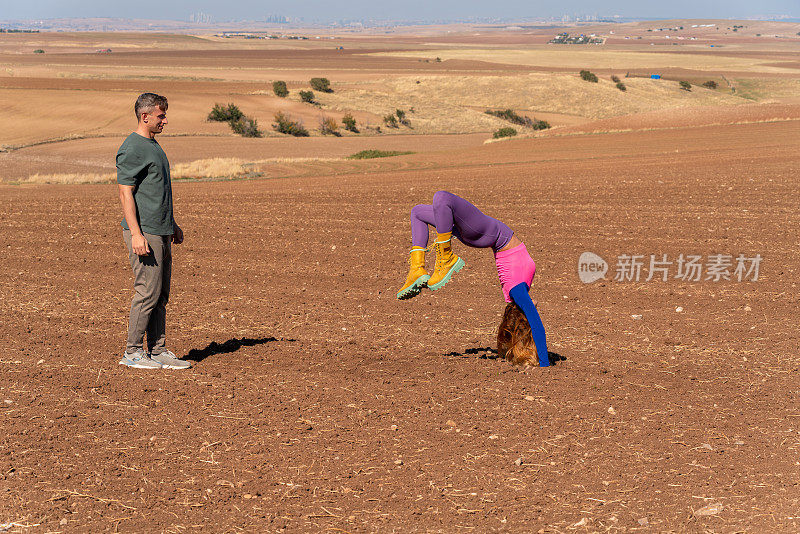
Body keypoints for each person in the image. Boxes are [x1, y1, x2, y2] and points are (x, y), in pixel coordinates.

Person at [397, 191, 549, 367]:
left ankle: (446, 258)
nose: (536, 305)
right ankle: (417, 269)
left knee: (442, 198)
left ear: (520, 311)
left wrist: (545, 363)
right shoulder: (521, 289)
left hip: (488, 232)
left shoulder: (517, 291)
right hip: (478, 231)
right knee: (417, 212)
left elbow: (537, 325)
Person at [116, 93, 190, 370]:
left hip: (161, 230)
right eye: (161, 116)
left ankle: (157, 352)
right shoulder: (133, 147)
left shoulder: (152, 145)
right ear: (145, 116)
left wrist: (172, 224)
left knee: (160, 295)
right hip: (145, 232)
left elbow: (156, 191)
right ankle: (132, 352)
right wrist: (136, 233)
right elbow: (125, 193)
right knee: (147, 292)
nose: (165, 120)